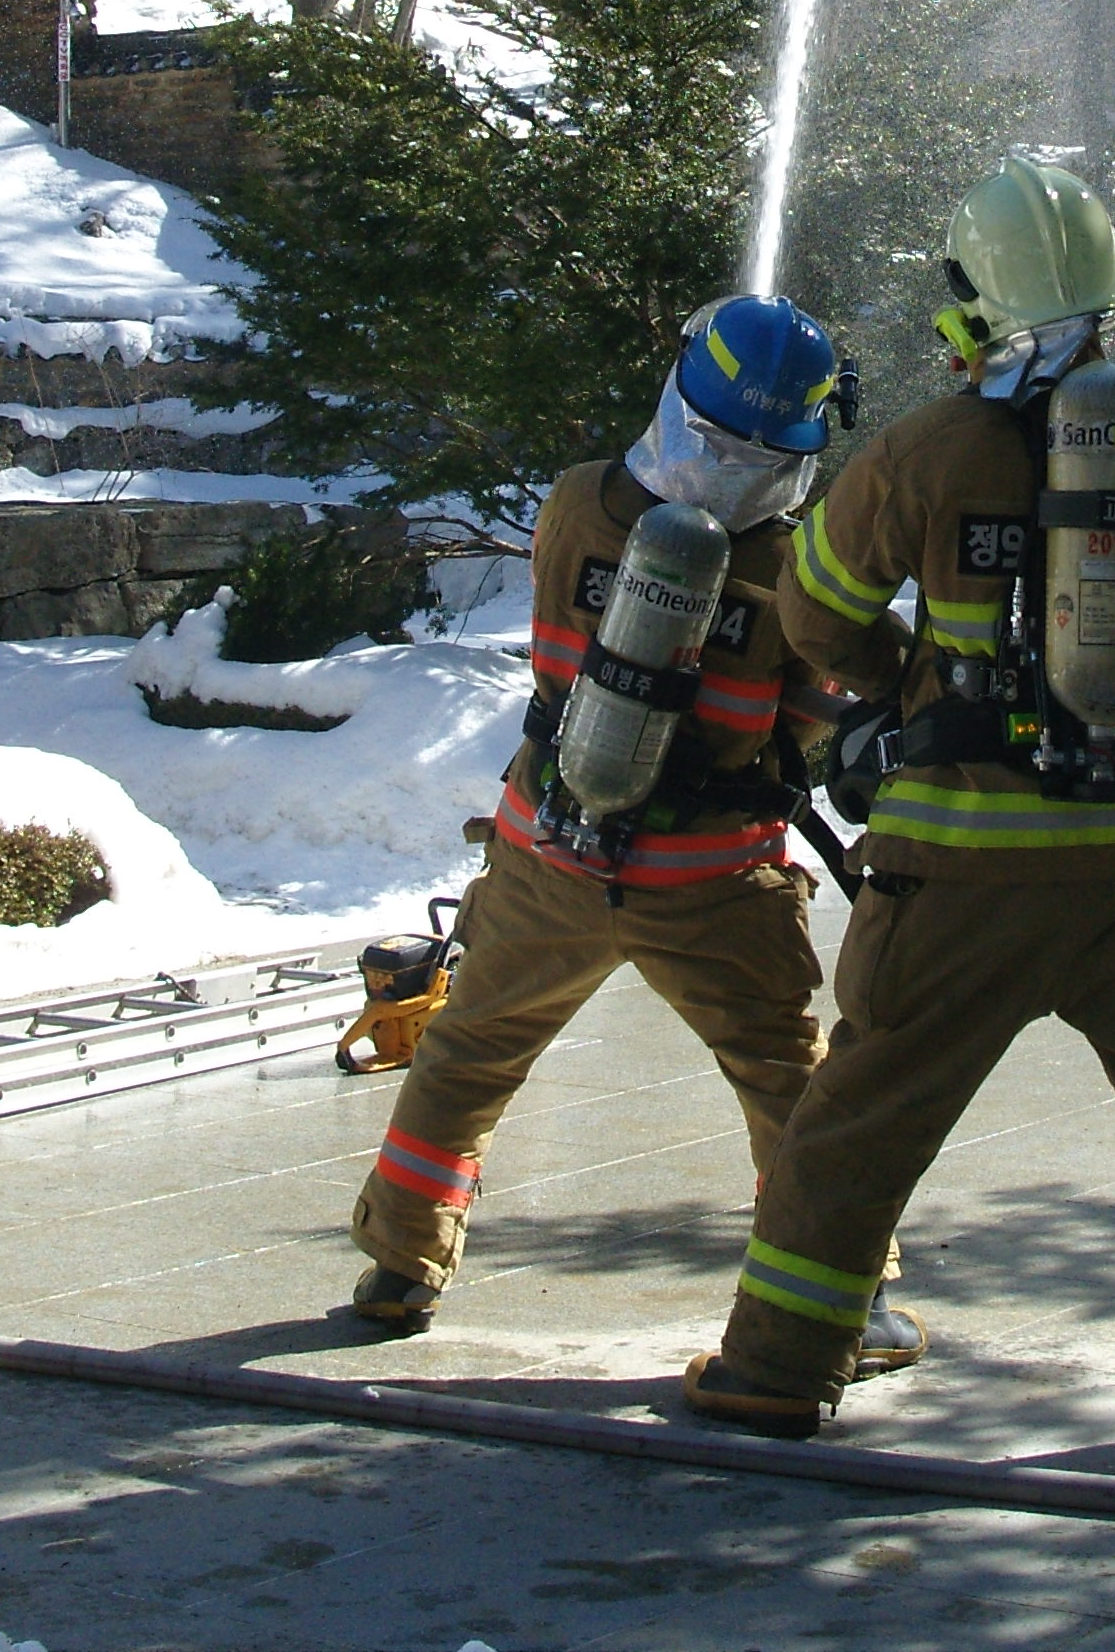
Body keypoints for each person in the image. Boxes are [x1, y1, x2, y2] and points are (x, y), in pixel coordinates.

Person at [681, 158, 1115, 1464]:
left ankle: (778, 1371)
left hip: (963, 867)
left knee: (864, 1117)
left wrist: (908, 695)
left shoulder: (923, 450)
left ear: (975, 300)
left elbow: (813, 612)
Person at [343, 295, 922, 1374]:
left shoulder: (575, 503)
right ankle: (852, 1295)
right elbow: (821, 711)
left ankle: (400, 1262)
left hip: (548, 854)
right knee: (785, 1077)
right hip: (712, 881)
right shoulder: (798, 569)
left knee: (469, 1052)